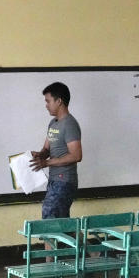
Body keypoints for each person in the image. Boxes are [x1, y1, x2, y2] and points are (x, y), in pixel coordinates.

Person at [30, 82, 82, 219]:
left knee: (50, 220)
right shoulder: (53, 123)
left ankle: (51, 241)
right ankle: (80, 241)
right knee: (61, 223)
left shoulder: (70, 124)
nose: (46, 105)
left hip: (64, 181)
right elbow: (47, 148)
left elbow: (76, 155)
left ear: (59, 101)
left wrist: (46, 163)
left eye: (48, 101)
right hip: (54, 180)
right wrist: (40, 155)